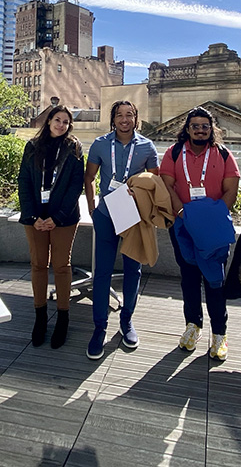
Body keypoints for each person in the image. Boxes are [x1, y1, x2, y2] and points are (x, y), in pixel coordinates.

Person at [159, 107, 240, 360]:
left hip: (213, 228)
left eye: (205, 126)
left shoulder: (224, 154)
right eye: (195, 126)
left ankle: (219, 334)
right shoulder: (173, 153)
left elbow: (231, 190)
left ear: (211, 128)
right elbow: (167, 186)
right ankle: (192, 326)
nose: (200, 130)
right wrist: (184, 214)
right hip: (183, 225)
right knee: (189, 277)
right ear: (187, 128)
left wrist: (210, 219)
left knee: (215, 282)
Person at [83, 100, 159, 359]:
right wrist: (93, 207)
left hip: (133, 216)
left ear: (136, 118)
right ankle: (99, 327)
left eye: (129, 115)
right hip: (106, 213)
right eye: (119, 115)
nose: (124, 119)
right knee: (102, 272)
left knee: (132, 270)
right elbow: (89, 177)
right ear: (113, 119)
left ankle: (126, 321)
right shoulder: (100, 144)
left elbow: (154, 183)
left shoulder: (147, 146)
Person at [17, 105, 85, 349]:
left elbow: (76, 185)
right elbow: (24, 181)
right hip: (35, 215)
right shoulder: (33, 147)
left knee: (62, 266)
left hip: (63, 218)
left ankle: (63, 318)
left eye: (66, 122)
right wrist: (32, 215)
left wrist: (56, 217)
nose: (61, 125)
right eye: (58, 120)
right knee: (38, 265)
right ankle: (40, 318)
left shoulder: (74, 148)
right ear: (48, 121)